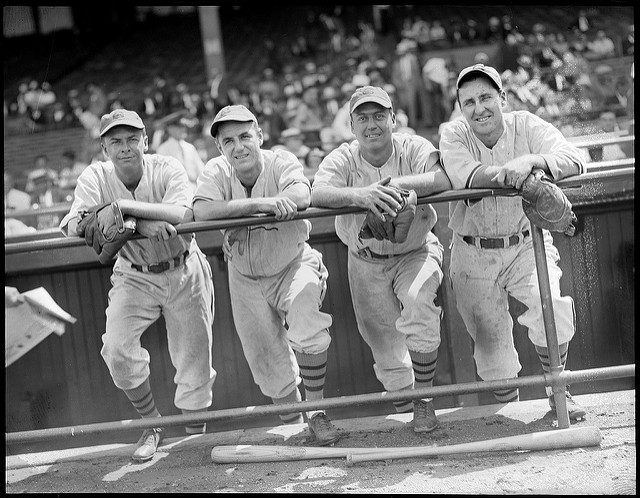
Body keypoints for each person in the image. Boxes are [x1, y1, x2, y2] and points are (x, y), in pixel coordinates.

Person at [59, 109, 216, 462]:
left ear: (145, 141)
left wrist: (121, 212)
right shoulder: (95, 175)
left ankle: (194, 443)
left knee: (195, 364)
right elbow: (73, 224)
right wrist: (139, 225)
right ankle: (152, 424)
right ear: (104, 148)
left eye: (132, 139)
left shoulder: (167, 166)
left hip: (183, 267)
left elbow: (181, 214)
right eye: (116, 141)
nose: (125, 147)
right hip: (134, 271)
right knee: (116, 349)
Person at [438, 64, 587, 420]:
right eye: (469, 101)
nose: (479, 108)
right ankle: (509, 417)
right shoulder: (454, 133)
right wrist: (516, 175)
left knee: (550, 305)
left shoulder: (526, 124)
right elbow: (467, 175)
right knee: (493, 356)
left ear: (502, 97)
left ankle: (560, 395)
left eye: (487, 97)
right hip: (473, 250)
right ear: (460, 107)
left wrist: (533, 160)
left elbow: (575, 159)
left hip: (524, 242)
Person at [193, 105, 341, 446]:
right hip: (244, 275)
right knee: (266, 359)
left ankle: (317, 415)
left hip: (292, 261)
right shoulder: (216, 170)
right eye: (228, 141)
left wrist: (235, 218)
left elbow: (301, 194)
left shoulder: (280, 160)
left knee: (306, 320)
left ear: (259, 135)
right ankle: (295, 425)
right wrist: (260, 206)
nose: (238, 147)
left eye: (245, 136)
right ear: (219, 148)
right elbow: (201, 209)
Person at [311, 86, 452, 433]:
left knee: (419, 304)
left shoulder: (412, 145)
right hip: (365, 261)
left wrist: (389, 190)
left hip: (415, 251)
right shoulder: (343, 157)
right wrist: (362, 196)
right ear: (351, 124)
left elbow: (441, 177)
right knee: (387, 352)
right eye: (362, 117)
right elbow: (317, 191)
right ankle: (409, 414)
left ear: (393, 118)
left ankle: (425, 404)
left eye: (378, 116)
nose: (371, 124)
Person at [156, 111, 206, 194]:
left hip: (196, 190)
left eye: (184, 126)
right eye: (179, 127)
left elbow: (202, 171)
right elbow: (163, 178)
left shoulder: (190, 147)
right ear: (170, 129)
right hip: (176, 192)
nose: (183, 129)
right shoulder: (163, 149)